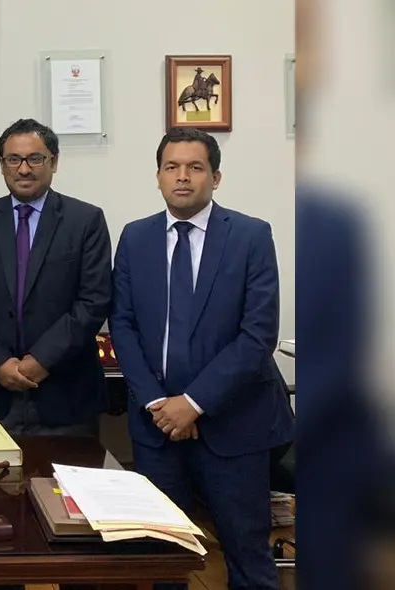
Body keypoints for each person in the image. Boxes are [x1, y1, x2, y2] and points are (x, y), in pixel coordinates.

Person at [108, 127, 294, 590]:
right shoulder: (135, 237)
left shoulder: (251, 236)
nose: (183, 177)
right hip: (156, 430)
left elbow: (257, 336)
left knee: (247, 555)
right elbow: (122, 326)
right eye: (172, 167)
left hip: (234, 425)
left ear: (216, 177)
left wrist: (192, 402)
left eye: (195, 167)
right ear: (157, 177)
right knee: (164, 558)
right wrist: (158, 403)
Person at [0, 118, 112, 437]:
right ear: (2, 165)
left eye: (35, 159)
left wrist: (40, 361)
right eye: (14, 159)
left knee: (65, 486)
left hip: (65, 394)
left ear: (54, 162)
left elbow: (94, 301)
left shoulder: (85, 221)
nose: (23, 169)